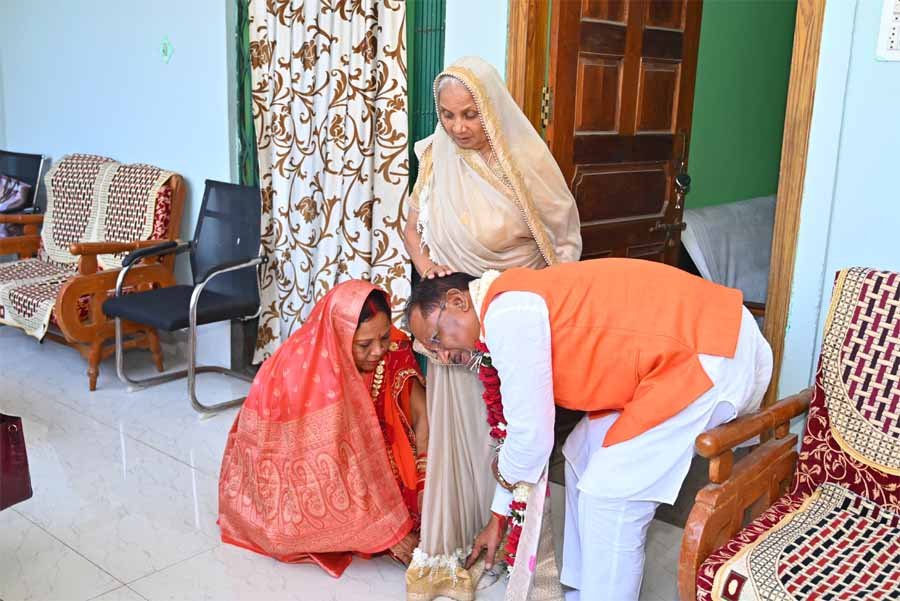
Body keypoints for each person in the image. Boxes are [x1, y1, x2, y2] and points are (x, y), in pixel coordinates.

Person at [404, 260, 773, 601]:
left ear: (458, 301)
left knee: (609, 496)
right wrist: (499, 514)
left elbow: (531, 440)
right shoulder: (506, 306)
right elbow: (524, 434)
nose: (443, 354)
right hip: (671, 357)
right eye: (432, 350)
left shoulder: (507, 314)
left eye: (436, 338)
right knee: (580, 453)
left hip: (706, 349)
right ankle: (584, 592)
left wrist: (501, 475)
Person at [402, 56, 581, 600]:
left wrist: (536, 310)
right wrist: (427, 266)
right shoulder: (435, 156)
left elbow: (561, 245)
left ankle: (514, 547)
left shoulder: (523, 163)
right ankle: (457, 542)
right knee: (461, 437)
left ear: (491, 109)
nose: (458, 127)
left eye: (470, 114)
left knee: (514, 433)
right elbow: (410, 225)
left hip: (510, 324)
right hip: (454, 327)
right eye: (448, 115)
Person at [218, 280, 428, 577]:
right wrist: (388, 531)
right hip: (299, 475)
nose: (378, 350)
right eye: (364, 345)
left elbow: (422, 416)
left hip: (370, 459)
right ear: (338, 334)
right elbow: (320, 471)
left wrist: (424, 478)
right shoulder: (297, 372)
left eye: (384, 337)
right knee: (284, 535)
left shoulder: (392, 349)